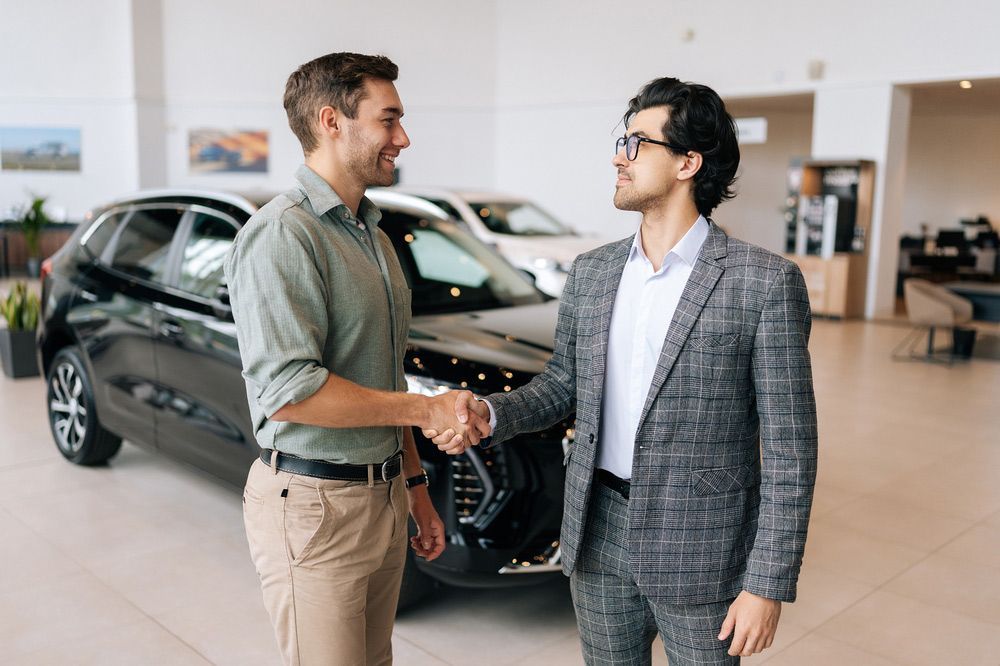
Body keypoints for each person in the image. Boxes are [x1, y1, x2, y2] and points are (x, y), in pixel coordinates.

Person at [428, 77, 818, 665]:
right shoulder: (592, 273)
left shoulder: (761, 283)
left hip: (703, 543)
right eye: (622, 140)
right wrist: (489, 412)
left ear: (688, 161)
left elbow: (791, 448)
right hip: (597, 529)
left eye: (637, 143)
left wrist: (766, 582)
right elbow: (563, 385)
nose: (619, 155)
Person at [225, 52, 489, 666]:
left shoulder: (371, 233)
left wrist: (416, 486)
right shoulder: (283, 234)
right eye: (389, 119)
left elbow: (381, 375)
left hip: (383, 497)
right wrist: (428, 409)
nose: (403, 138)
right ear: (331, 121)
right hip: (315, 507)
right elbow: (292, 391)